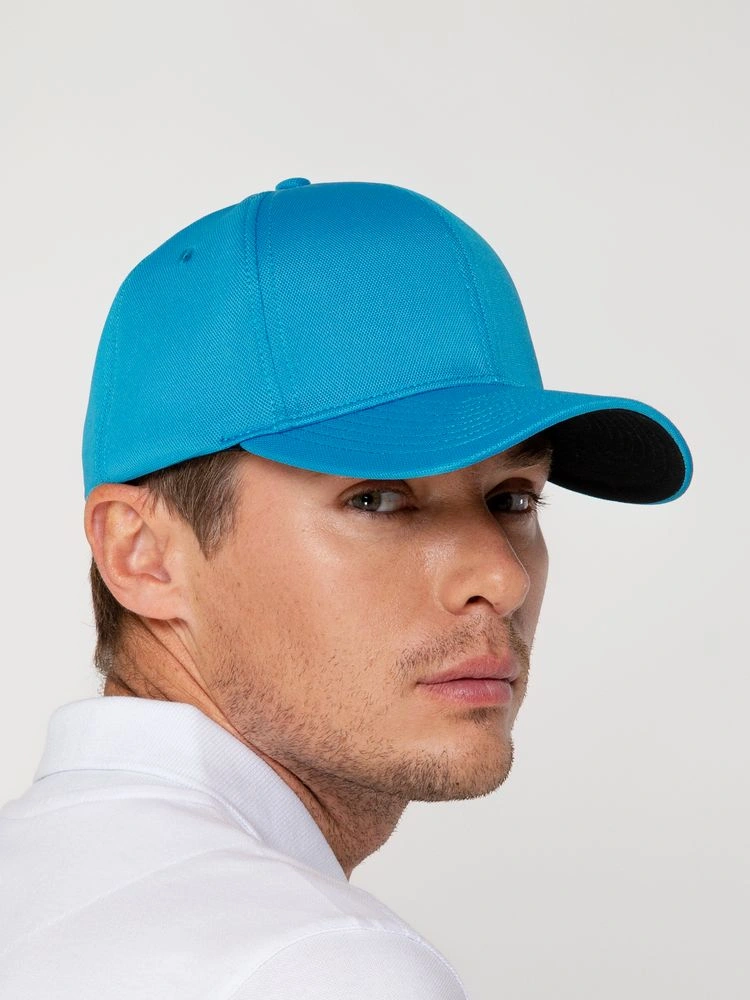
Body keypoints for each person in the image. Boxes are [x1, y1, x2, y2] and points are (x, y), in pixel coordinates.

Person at [0, 177, 692, 998]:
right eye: (377, 499)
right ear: (143, 554)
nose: (502, 578)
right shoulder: (317, 962)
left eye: (513, 499)